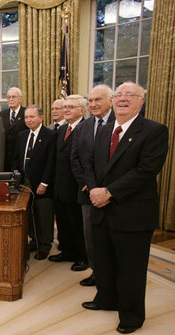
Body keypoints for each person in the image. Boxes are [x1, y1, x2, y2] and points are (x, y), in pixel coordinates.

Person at [82, 82, 168, 334]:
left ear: (141, 101)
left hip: (132, 213)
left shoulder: (154, 131)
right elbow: (91, 164)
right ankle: (106, 299)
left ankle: (131, 315)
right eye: (118, 94)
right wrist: (95, 189)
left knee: (131, 268)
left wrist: (109, 192)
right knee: (104, 261)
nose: (122, 98)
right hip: (101, 208)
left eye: (130, 95)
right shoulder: (106, 129)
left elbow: (145, 171)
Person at [70, 85, 115, 286]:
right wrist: (88, 184)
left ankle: (111, 275)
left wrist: (104, 188)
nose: (93, 104)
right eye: (90, 101)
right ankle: (96, 272)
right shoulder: (83, 127)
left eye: (98, 100)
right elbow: (75, 158)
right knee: (91, 236)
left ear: (111, 101)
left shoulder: (119, 123)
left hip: (113, 193)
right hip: (88, 192)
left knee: (112, 237)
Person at [48, 95, 88, 272]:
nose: (66, 110)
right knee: (63, 222)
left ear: (82, 110)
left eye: (70, 107)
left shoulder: (87, 128)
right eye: (65, 107)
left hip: (77, 186)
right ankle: (67, 251)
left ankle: (82, 256)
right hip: (60, 185)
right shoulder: (63, 129)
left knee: (77, 223)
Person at [12, 105, 56, 260]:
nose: (28, 120)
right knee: (29, 214)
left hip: (42, 183)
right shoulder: (22, 135)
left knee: (43, 215)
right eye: (26, 117)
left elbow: (51, 162)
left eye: (32, 117)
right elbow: (17, 158)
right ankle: (34, 240)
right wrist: (16, 179)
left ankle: (44, 245)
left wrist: (44, 183)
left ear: (41, 117)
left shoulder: (50, 135)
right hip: (24, 183)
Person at [0, 87, 27, 171]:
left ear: (20, 99)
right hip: (4, 160)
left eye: (13, 97)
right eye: (8, 97)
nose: (10, 99)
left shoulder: (27, 113)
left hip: (20, 158)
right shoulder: (0, 116)